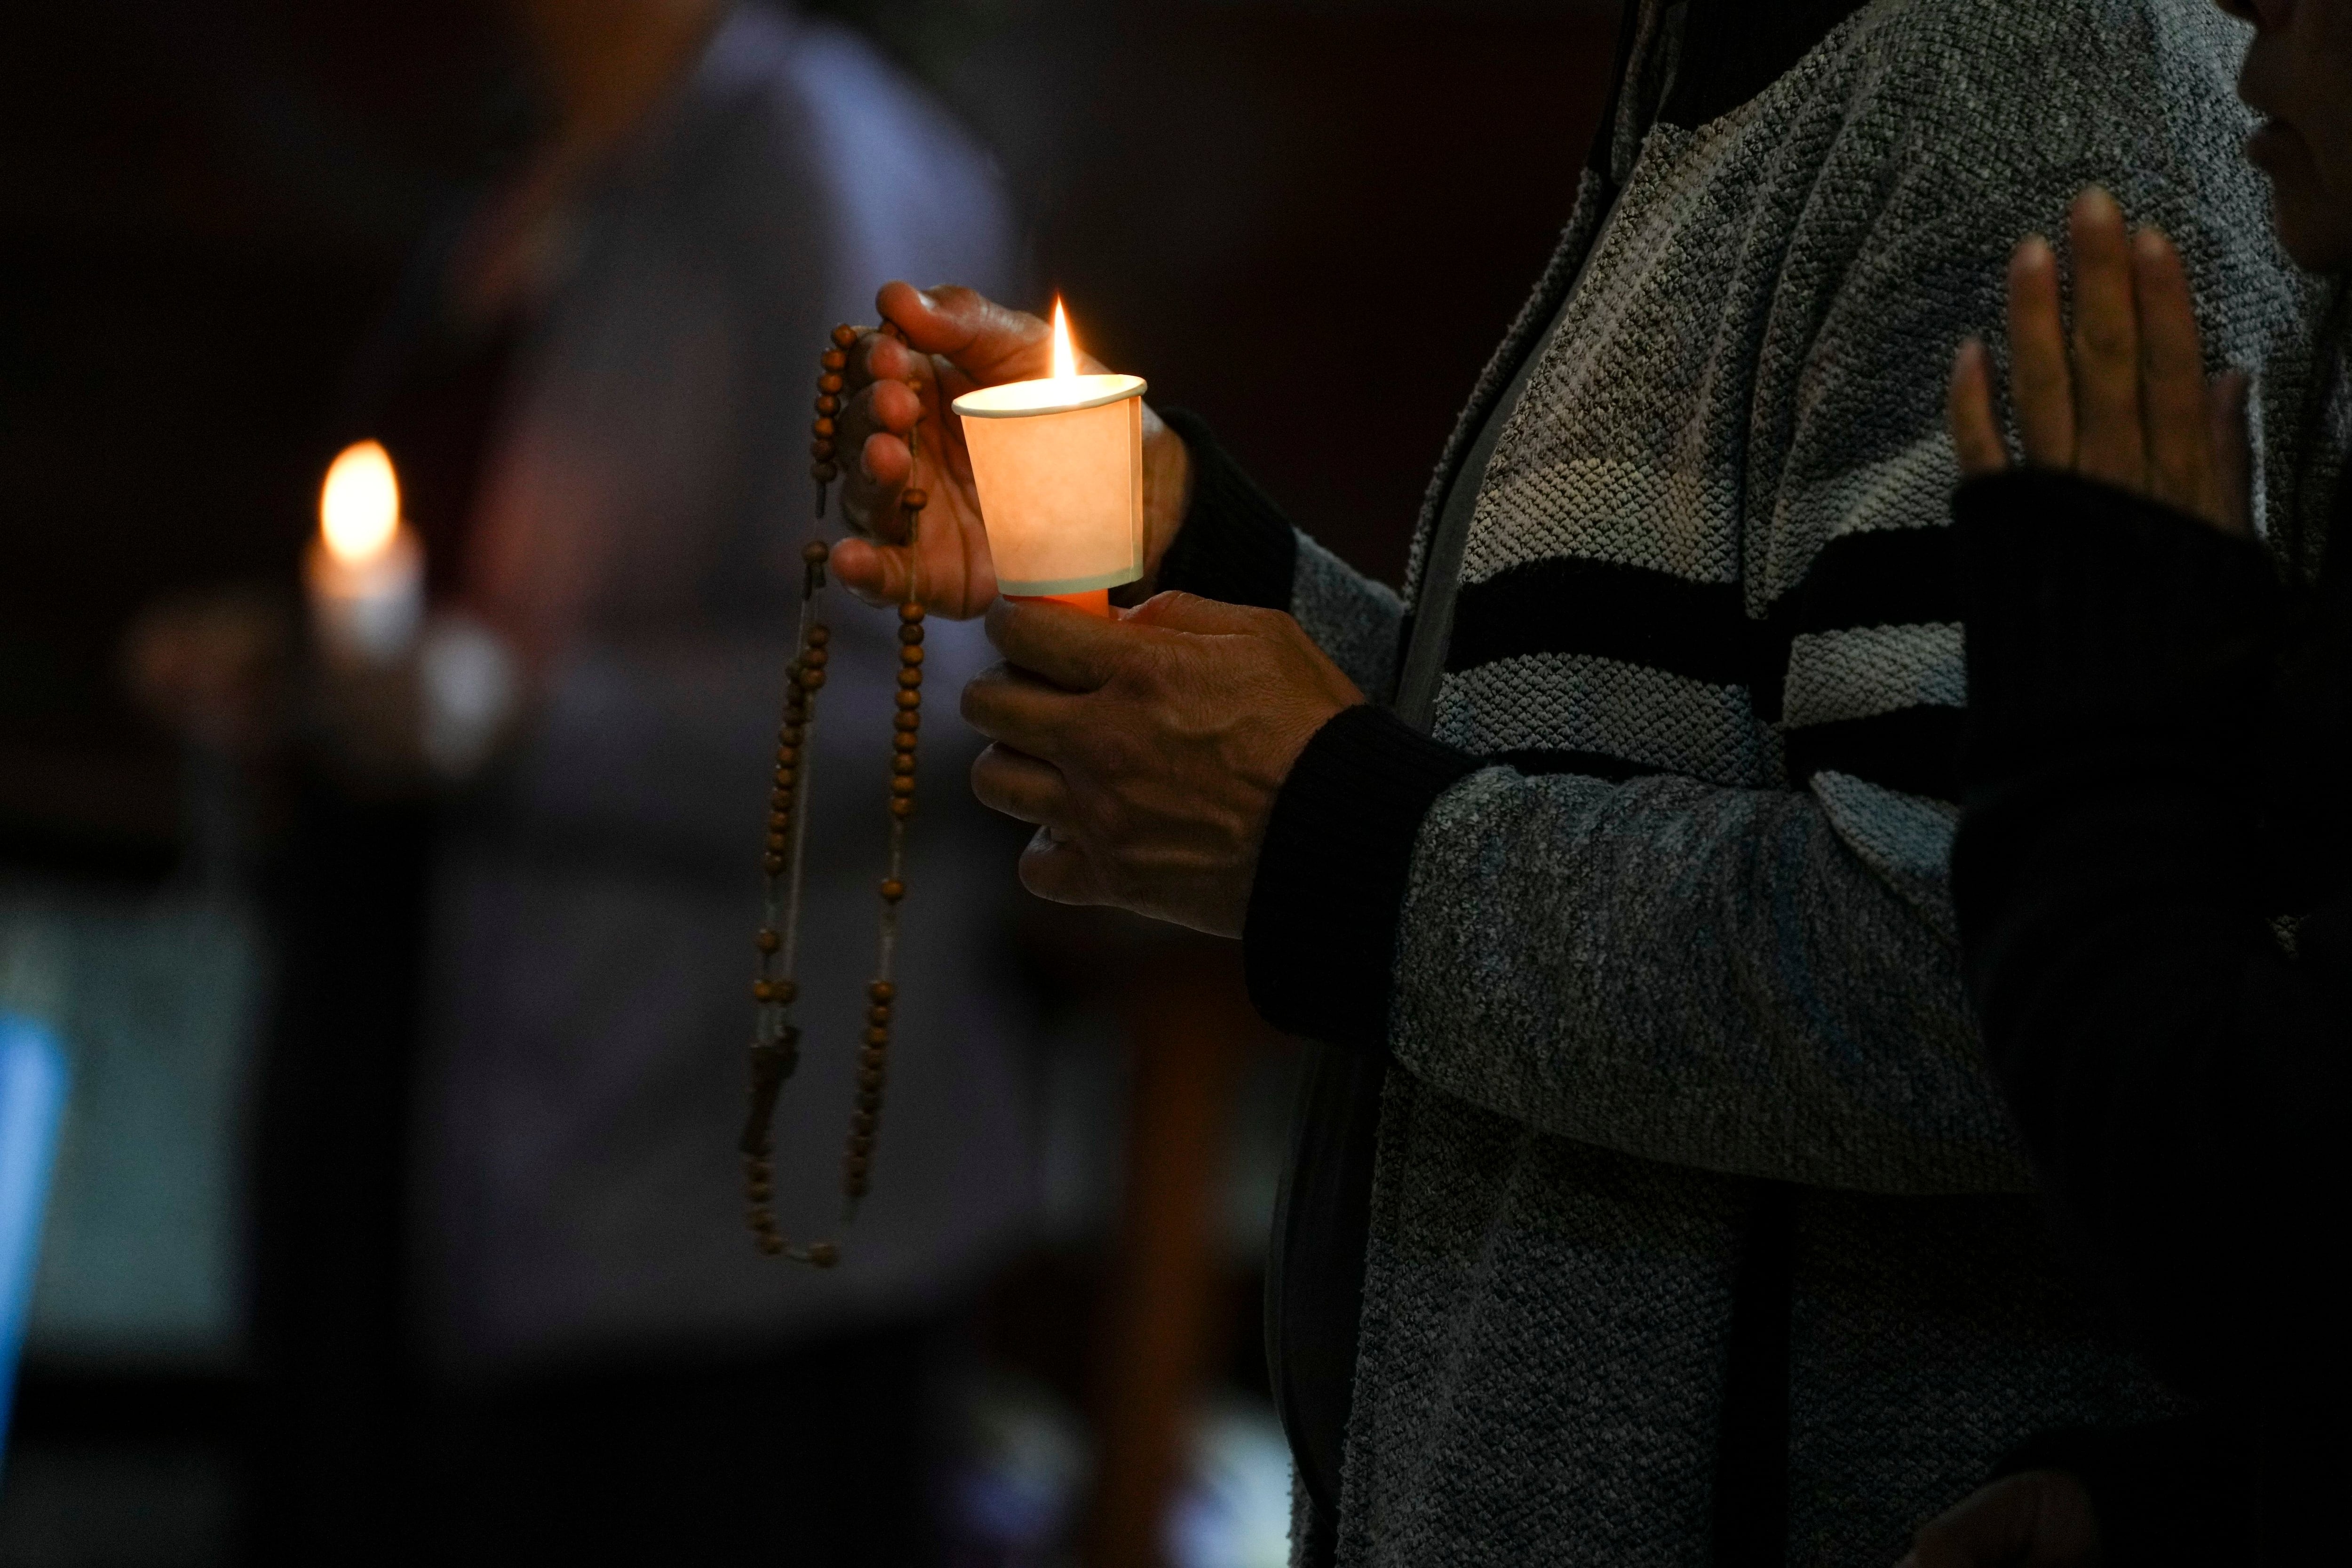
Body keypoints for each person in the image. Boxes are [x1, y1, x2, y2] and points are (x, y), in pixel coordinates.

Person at [821, 0, 2317, 1561]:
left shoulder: (2028, 87)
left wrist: (1341, 846)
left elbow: (1998, 984)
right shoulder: (1735, 55)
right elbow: (1613, 744)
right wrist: (1198, 550)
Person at [143, 1, 1037, 1560]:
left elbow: (917, 693)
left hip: (692, 1200)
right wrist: (304, 675)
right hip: (431, 1104)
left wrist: (510, 713)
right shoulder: (533, 169)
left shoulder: (811, 168)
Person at [1901, 0, 2352, 1562]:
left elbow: (2251, 1207)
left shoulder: (2062, 77)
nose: (2248, 46)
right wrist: (2175, 1514)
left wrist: (2097, 715)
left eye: (2322, 8)